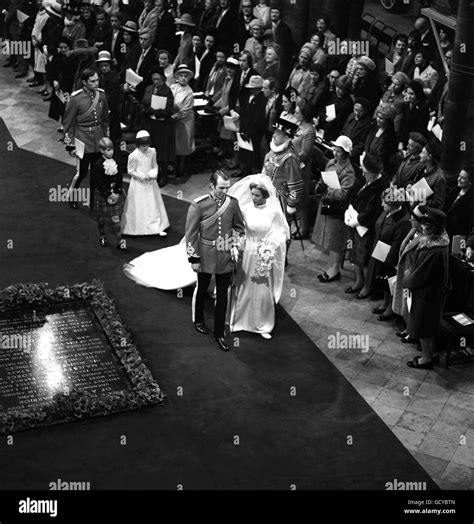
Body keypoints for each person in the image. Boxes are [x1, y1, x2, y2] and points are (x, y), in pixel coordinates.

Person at [185, 170, 245, 352]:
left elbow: (239, 228)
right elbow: (191, 233)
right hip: (204, 253)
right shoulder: (199, 205)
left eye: (227, 188)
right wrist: (193, 258)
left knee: (223, 295)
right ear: (212, 186)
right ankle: (198, 319)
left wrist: (234, 244)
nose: (224, 191)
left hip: (224, 255)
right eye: (221, 188)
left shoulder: (232, 204)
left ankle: (219, 333)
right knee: (202, 288)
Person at [227, 174, 290, 339]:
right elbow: (237, 229)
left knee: (262, 289)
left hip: (264, 254)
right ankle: (239, 321)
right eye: (252, 194)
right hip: (248, 252)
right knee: (243, 286)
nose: (253, 198)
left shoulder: (274, 211)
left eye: (257, 195)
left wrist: (271, 245)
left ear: (265, 195)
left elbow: (281, 231)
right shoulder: (245, 209)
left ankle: (261, 324)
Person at [404, 207, 450, 369]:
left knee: (423, 328)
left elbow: (420, 274)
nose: (423, 228)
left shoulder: (434, 250)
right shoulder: (440, 244)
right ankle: (432, 354)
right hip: (432, 293)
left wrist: (407, 280)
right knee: (429, 326)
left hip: (426, 293)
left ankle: (426, 358)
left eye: (427, 226)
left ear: (435, 228)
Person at [63, 68, 109, 209]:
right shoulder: (75, 99)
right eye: (92, 81)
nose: (96, 83)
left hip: (98, 138)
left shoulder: (101, 95)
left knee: (97, 172)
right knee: (81, 173)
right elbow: (68, 124)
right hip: (82, 140)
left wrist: (106, 138)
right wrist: (70, 145)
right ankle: (71, 196)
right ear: (84, 82)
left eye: (97, 80)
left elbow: (105, 119)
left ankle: (93, 199)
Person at [363, 187, 411, 319]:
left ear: (393, 204)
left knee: (389, 282)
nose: (382, 204)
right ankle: (385, 303)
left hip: (391, 257)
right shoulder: (387, 212)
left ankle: (390, 308)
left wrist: (388, 261)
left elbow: (397, 243)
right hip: (380, 251)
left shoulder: (403, 221)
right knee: (383, 281)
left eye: (385, 202)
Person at [345, 153, 389, 298]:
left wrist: (358, 220)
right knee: (355, 256)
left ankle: (367, 286)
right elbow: (354, 195)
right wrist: (349, 212)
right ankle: (358, 281)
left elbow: (374, 211)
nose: (363, 173)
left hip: (367, 228)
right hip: (356, 224)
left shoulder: (382, 187)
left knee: (364, 259)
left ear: (375, 172)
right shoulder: (366, 180)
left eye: (366, 172)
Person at [313, 135, 355, 282]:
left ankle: (335, 268)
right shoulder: (331, 162)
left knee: (336, 239)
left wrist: (328, 190)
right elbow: (323, 178)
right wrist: (320, 186)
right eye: (334, 150)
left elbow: (343, 193)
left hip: (337, 209)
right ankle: (331, 265)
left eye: (339, 151)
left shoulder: (348, 171)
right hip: (327, 204)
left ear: (346, 152)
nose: (335, 153)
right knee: (330, 238)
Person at [261, 117, 303, 261]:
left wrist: (291, 205)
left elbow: (296, 185)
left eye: (278, 133)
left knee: (280, 230)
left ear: (286, 137)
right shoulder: (273, 151)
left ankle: (280, 259)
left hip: (281, 200)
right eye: (275, 132)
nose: (274, 135)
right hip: (266, 195)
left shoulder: (290, 157)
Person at [121, 130, 169, 236]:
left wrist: (154, 172)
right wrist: (143, 177)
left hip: (151, 182)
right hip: (138, 183)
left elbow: (154, 164)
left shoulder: (152, 151)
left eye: (147, 145)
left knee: (153, 204)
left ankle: (157, 227)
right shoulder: (133, 155)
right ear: (138, 144)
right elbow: (130, 170)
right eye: (143, 146)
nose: (145, 147)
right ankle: (137, 228)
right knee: (139, 205)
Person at [392, 204, 424, 343]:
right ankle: (408, 327)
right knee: (406, 302)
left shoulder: (425, 238)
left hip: (412, 275)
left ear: (420, 221)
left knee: (411, 304)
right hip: (405, 271)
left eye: (413, 219)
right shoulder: (413, 231)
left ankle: (412, 332)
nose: (410, 221)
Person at [141, 65, 175, 187]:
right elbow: (143, 103)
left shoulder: (167, 91)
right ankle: (151, 173)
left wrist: (155, 111)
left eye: (158, 79)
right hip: (149, 124)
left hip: (162, 125)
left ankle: (163, 175)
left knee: (161, 152)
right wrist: (146, 110)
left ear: (163, 79)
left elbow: (169, 111)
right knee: (149, 150)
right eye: (154, 79)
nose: (156, 82)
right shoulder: (149, 88)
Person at [91, 137, 126, 250]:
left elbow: (120, 178)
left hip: (114, 192)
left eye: (112, 149)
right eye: (108, 150)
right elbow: (99, 182)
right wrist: (108, 194)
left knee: (116, 218)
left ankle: (119, 241)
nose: (111, 152)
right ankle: (102, 236)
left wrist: (117, 192)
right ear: (102, 151)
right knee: (101, 218)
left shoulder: (117, 161)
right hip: (103, 193)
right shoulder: (97, 165)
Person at [292, 99, 316, 239]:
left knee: (301, 198)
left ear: (304, 114)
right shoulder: (298, 126)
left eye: (297, 112)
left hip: (301, 169)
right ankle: (297, 225)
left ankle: (304, 228)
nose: (295, 113)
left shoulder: (309, 131)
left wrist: (290, 156)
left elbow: (305, 153)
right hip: (292, 166)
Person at [170, 64, 195, 178]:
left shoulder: (189, 92)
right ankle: (174, 167)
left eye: (186, 76)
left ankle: (182, 169)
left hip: (185, 120)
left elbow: (185, 110)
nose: (183, 78)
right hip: (174, 119)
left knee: (184, 145)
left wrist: (173, 117)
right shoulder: (173, 87)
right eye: (181, 75)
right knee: (175, 144)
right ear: (177, 77)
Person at [444, 167, 474, 240]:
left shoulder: (471, 199)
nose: (458, 179)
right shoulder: (456, 189)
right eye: (459, 176)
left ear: (470, 182)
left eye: (463, 178)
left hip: (457, 236)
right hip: (445, 231)